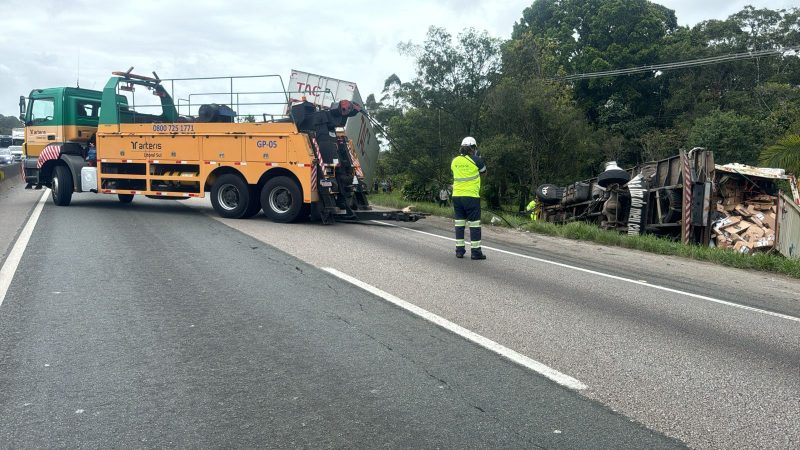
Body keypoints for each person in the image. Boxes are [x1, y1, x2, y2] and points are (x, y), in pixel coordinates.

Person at [451, 136, 487, 260]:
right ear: (473, 148)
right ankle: (476, 252)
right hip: (471, 197)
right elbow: (484, 173)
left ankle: (459, 251)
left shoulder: (454, 161)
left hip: (457, 196)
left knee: (459, 224)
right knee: (474, 225)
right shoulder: (477, 160)